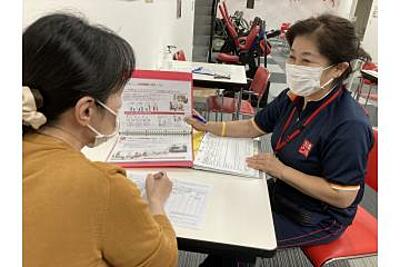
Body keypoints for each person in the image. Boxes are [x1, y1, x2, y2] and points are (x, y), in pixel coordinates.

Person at [186, 14, 374, 265]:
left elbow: (342, 196)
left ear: (339, 68)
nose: (294, 66)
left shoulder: (348, 124)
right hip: (284, 192)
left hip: (317, 215)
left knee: (239, 238)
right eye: (292, 56)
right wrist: (208, 126)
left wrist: (281, 170)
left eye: (306, 60)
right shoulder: (295, 96)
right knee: (227, 216)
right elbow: (254, 126)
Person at [23, 13, 178, 266]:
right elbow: (163, 260)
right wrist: (157, 203)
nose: (121, 103)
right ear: (86, 110)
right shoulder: (103, 185)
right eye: (119, 93)